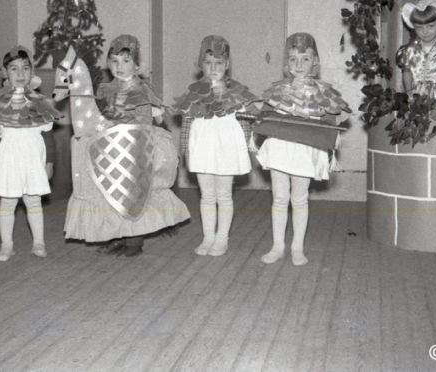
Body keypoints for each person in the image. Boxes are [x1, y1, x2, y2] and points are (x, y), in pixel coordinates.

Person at [64, 34, 190, 257]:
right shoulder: (105, 89)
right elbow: (97, 116)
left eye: (125, 61)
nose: (119, 66)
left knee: (132, 194)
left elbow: (146, 120)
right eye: (114, 61)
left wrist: (124, 124)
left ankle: (134, 241)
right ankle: (117, 235)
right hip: (110, 148)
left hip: (134, 148)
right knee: (110, 193)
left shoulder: (142, 90)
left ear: (137, 65)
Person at [255, 33, 351, 266]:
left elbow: (338, 115)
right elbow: (262, 113)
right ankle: (278, 246)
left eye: (305, 59)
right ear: (286, 63)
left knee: (299, 198)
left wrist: (329, 114)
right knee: (279, 198)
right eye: (293, 59)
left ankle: (297, 247)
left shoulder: (323, 92)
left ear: (314, 62)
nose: (299, 65)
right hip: (280, 146)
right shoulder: (277, 90)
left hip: (305, 149)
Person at [174, 35, 258, 256]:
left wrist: (245, 146)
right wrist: (186, 149)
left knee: (224, 195)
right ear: (200, 64)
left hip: (227, 146)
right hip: (202, 145)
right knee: (207, 195)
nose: (213, 68)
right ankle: (208, 237)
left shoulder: (237, 91)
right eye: (208, 62)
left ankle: (222, 238)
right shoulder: (194, 92)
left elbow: (248, 118)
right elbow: (187, 122)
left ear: (227, 64)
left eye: (219, 63)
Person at [0, 46, 61, 261]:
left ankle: (39, 243)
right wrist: (3, 154)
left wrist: (49, 162)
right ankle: (7, 245)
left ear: (32, 72)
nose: (20, 73)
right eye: (14, 69)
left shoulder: (40, 103)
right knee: (7, 203)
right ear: (5, 73)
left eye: (25, 68)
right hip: (8, 162)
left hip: (33, 162)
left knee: (33, 201)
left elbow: (48, 137)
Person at [397, 0, 436, 103]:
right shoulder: (410, 50)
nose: (425, 32)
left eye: (430, 26)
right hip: (417, 98)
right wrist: (409, 91)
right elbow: (407, 71)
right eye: (419, 28)